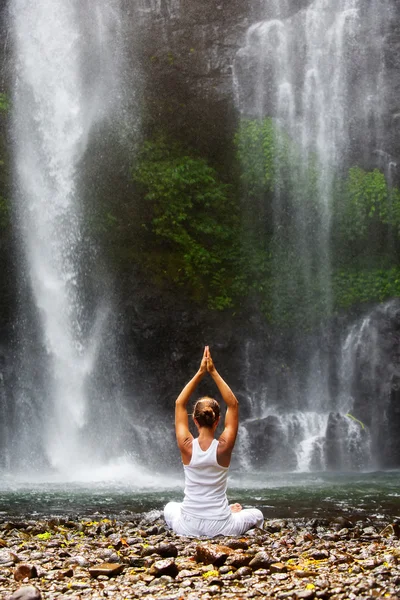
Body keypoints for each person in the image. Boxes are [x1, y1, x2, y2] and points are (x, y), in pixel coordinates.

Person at [164, 346, 264, 537]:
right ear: (218, 421)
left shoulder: (186, 446)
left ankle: (220, 515)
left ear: (194, 420)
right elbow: (233, 404)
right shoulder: (223, 447)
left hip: (188, 525)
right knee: (257, 514)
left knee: (170, 507)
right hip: (221, 526)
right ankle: (231, 514)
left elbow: (179, 403)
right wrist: (213, 372)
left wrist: (201, 372)